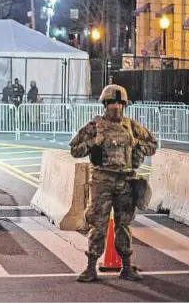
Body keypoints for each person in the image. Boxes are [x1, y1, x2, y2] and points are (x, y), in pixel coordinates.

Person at [70, 84, 157, 283]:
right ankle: (91, 268)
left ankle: (126, 267)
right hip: (102, 181)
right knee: (98, 225)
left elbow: (152, 145)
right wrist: (94, 143)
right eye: (111, 103)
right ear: (105, 105)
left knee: (124, 225)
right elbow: (75, 150)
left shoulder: (131, 126)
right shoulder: (94, 126)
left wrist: (137, 144)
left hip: (125, 181)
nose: (116, 107)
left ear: (124, 105)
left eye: (119, 103)